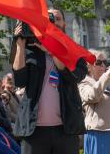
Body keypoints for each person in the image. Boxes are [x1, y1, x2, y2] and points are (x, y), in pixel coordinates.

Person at [12, 21, 87, 154]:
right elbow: (20, 81)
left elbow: (75, 77)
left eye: (56, 18)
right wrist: (20, 45)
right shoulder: (31, 48)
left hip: (65, 129)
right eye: (48, 19)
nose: (52, 22)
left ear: (64, 23)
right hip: (34, 130)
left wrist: (52, 51)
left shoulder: (73, 50)